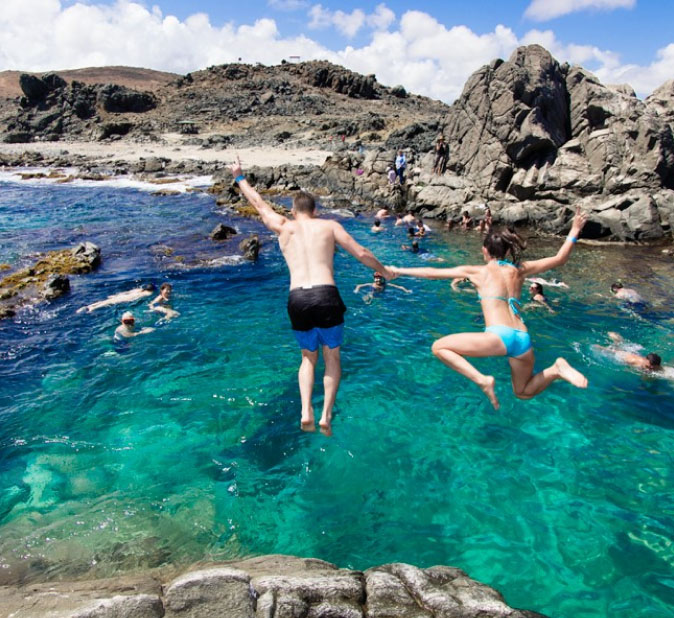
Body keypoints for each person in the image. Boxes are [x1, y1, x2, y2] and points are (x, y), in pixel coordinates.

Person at [228, 155, 393, 436]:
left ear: (294, 211)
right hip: (326, 295)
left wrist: (239, 176)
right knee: (333, 357)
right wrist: (384, 271)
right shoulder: (329, 226)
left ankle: (306, 409)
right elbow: (362, 254)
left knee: (307, 358)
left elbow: (257, 204)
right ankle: (326, 415)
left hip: (297, 300)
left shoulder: (284, 226)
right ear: (315, 211)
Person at [387, 208, 589, 410]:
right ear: (508, 251)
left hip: (499, 336)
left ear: (485, 251)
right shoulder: (521, 269)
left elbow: (432, 272)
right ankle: (556, 369)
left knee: (439, 347)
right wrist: (574, 229)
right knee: (523, 392)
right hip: (523, 338)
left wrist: (398, 270)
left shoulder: (479, 272)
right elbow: (560, 258)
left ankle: (482, 380)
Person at [596, 332, 662, 372]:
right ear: (645, 359)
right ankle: (614, 336)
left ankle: (617, 339)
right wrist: (602, 348)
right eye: (650, 365)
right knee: (616, 347)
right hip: (623, 355)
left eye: (654, 366)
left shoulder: (653, 365)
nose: (652, 368)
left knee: (621, 345)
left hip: (634, 354)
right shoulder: (632, 360)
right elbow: (616, 353)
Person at [77, 283, 156, 313]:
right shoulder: (148, 293)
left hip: (122, 295)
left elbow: (127, 292)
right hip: (126, 299)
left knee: (107, 300)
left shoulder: (139, 290)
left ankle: (90, 305)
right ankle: (92, 309)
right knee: (108, 303)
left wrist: (116, 295)